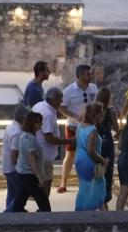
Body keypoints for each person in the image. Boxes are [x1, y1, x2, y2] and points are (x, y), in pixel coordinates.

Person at [58, 64, 98, 194]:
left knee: (89, 154)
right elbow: (61, 107)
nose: (90, 76)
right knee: (70, 154)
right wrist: (75, 116)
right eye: (88, 74)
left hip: (89, 127)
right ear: (80, 76)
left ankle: (86, 181)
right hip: (73, 127)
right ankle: (63, 183)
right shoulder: (69, 91)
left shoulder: (93, 88)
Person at [34, 86, 72, 205]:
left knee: (41, 181)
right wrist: (69, 141)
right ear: (54, 99)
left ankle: (42, 205)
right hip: (45, 154)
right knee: (46, 182)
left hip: (38, 151)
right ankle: (44, 207)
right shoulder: (48, 113)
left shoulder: (40, 105)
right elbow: (49, 138)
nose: (61, 102)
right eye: (60, 99)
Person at [10, 112, 49, 212]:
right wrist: (40, 176)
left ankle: (16, 214)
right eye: (40, 122)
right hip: (29, 174)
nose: (42, 124)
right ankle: (46, 218)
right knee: (43, 203)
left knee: (20, 201)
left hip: (24, 173)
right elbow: (32, 159)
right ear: (34, 123)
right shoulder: (29, 139)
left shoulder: (26, 136)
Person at [74, 102, 108, 211]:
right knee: (96, 186)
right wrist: (102, 160)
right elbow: (91, 151)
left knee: (84, 187)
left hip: (79, 160)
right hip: (90, 162)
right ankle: (89, 209)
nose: (103, 115)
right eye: (101, 113)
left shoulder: (80, 126)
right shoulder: (93, 130)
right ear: (97, 115)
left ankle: (82, 209)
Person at [0, 106, 29, 212]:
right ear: (23, 118)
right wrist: (20, 168)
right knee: (21, 193)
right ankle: (8, 213)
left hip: (7, 166)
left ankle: (13, 212)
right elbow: (14, 154)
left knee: (12, 192)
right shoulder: (17, 132)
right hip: (13, 168)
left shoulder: (10, 127)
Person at [95, 86, 120, 207]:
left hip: (95, 143)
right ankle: (105, 202)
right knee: (108, 173)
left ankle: (97, 199)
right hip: (108, 144)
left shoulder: (93, 110)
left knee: (97, 172)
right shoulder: (112, 112)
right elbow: (117, 130)